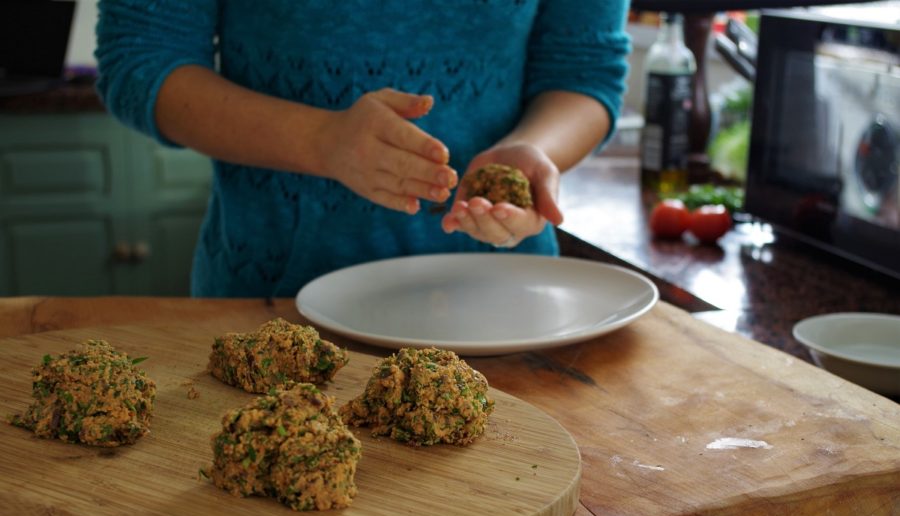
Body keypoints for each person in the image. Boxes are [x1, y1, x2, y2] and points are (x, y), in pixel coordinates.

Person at [95, 1, 631, 297]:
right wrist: (320, 141)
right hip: (276, 295)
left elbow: (583, 73)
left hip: (504, 293)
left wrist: (532, 147)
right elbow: (141, 60)